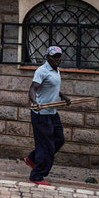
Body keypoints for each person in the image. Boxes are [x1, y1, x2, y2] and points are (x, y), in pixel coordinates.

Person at [25, 46, 71, 186]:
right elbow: (33, 88)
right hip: (41, 114)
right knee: (47, 146)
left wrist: (63, 96)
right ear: (47, 57)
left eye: (59, 56)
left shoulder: (56, 70)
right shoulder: (42, 71)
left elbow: (52, 87)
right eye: (54, 56)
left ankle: (33, 158)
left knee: (59, 140)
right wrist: (34, 102)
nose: (57, 59)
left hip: (52, 112)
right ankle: (37, 175)